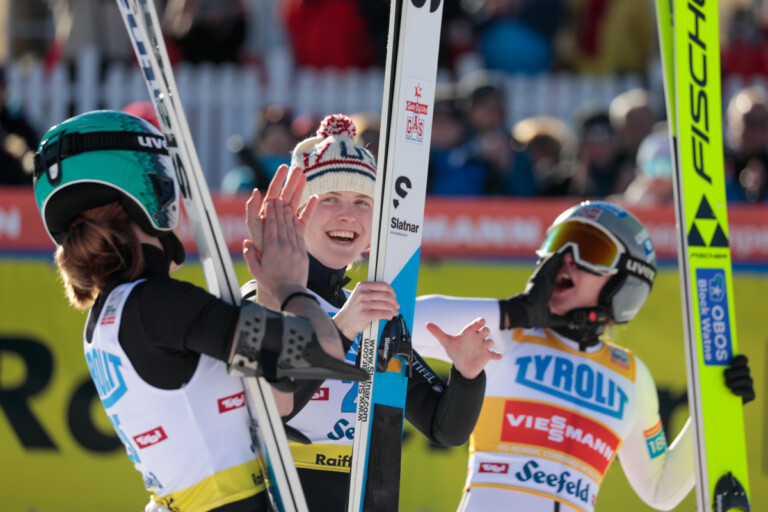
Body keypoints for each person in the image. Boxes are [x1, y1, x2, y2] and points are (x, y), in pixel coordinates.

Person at [31, 110, 367, 512]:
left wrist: (271, 288)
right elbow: (319, 354)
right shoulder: (158, 305)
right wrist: (287, 283)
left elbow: (278, 396)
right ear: (151, 193)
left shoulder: (110, 314)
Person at [410, 200, 755, 511]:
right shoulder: (506, 334)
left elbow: (660, 490)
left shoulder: (632, 376)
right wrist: (516, 312)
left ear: (626, 282)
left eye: (592, 249)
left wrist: (716, 406)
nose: (567, 257)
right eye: (559, 243)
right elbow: (401, 320)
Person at [242, 113, 498, 510]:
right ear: (297, 215)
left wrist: (467, 374)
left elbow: (443, 429)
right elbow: (273, 404)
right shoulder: (259, 296)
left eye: (363, 202)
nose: (348, 215)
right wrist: (344, 327)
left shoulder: (370, 311)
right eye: (329, 199)